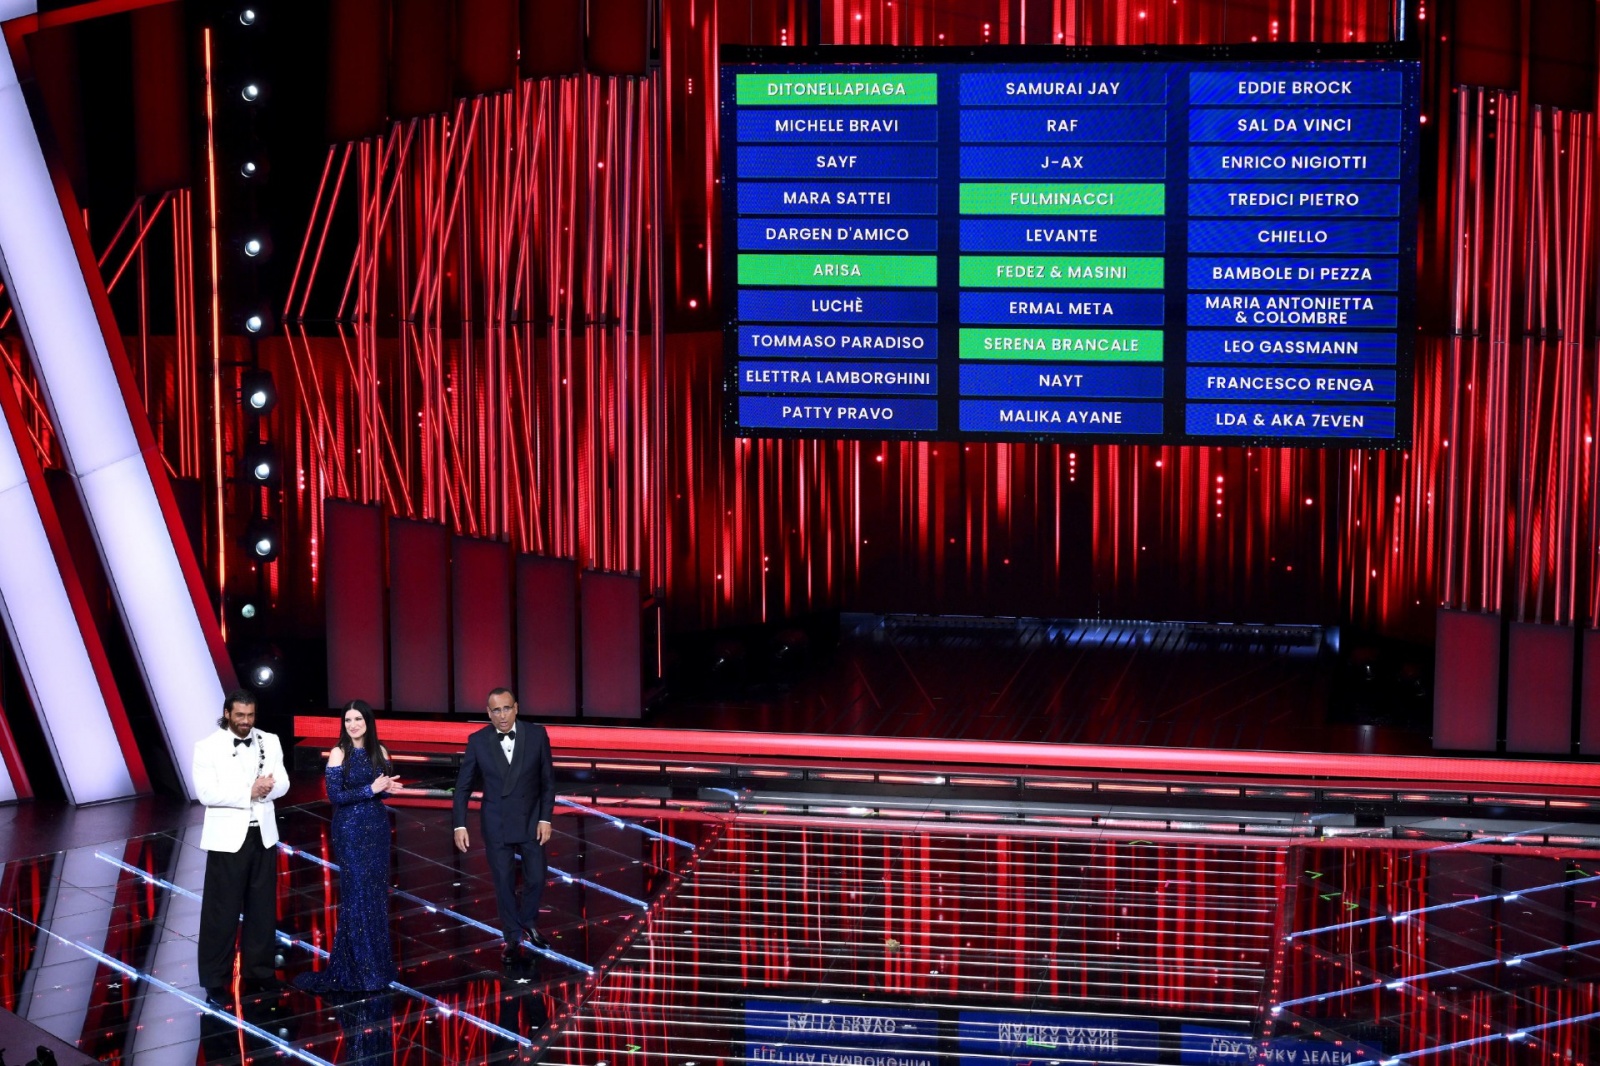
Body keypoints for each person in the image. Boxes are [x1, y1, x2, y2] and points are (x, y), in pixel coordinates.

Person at [294, 700, 400, 994]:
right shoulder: (339, 753)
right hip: (350, 830)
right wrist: (371, 790)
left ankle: (378, 967)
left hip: (377, 829)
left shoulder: (380, 751)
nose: (353, 725)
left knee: (376, 894)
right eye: (348, 720)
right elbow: (335, 796)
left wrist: (387, 789)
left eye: (358, 719)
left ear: (368, 721)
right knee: (357, 894)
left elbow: (382, 792)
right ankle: (359, 969)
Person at [193, 689, 289, 1007]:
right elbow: (207, 793)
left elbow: (284, 782)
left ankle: (259, 972)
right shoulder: (207, 747)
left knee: (261, 909)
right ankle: (213, 980)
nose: (246, 722)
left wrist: (265, 790)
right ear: (227, 713)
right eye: (240, 716)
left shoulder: (269, 741)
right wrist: (249, 791)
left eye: (250, 716)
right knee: (221, 912)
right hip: (226, 841)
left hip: (262, 836)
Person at [452, 687, 556, 960]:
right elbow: (462, 787)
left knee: (536, 877)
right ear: (488, 713)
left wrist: (546, 817)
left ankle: (529, 922)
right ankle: (512, 935)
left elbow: (548, 782)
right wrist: (459, 825)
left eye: (507, 708)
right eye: (496, 710)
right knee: (503, 882)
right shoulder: (477, 741)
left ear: (516, 708)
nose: (502, 715)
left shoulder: (536, 735)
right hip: (496, 822)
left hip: (531, 819)